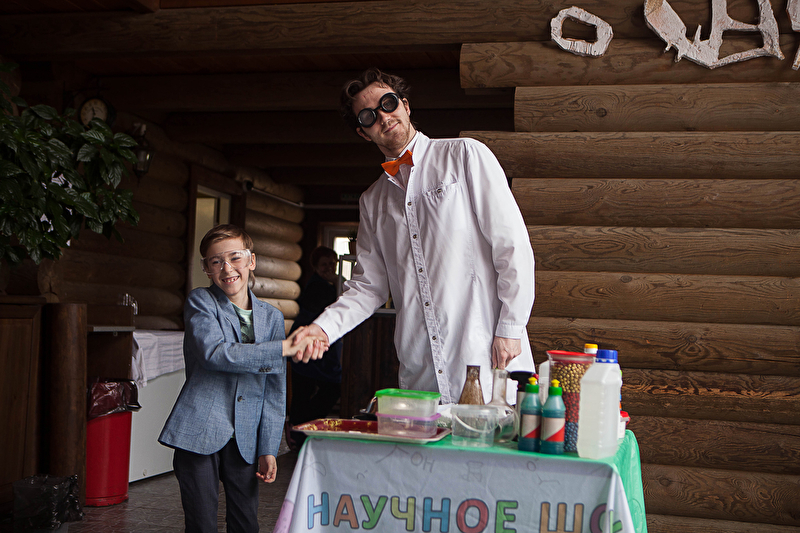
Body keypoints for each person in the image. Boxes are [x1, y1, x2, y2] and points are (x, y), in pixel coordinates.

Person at [293, 68, 535, 404]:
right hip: (421, 368)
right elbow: (368, 287)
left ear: (405, 106)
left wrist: (510, 327)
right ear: (364, 133)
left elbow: (512, 246)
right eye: (368, 116)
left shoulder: (465, 155)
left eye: (388, 103)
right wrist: (323, 328)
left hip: (487, 352)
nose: (383, 117)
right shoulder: (372, 201)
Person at [159, 224, 325, 533]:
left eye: (235, 257)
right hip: (199, 429)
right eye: (216, 261)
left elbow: (274, 390)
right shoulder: (200, 302)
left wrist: (269, 447)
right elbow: (215, 353)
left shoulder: (272, 317)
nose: (227, 268)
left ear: (251, 261)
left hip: (245, 437)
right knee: (202, 525)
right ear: (207, 269)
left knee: (246, 523)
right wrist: (282, 348)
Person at [285, 246, 343, 450]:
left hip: (317, 347)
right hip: (306, 343)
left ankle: (301, 429)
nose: (329, 268)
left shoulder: (328, 285)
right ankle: (298, 431)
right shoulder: (319, 287)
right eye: (324, 264)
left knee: (311, 390)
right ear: (316, 267)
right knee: (312, 390)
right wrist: (338, 283)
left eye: (332, 263)